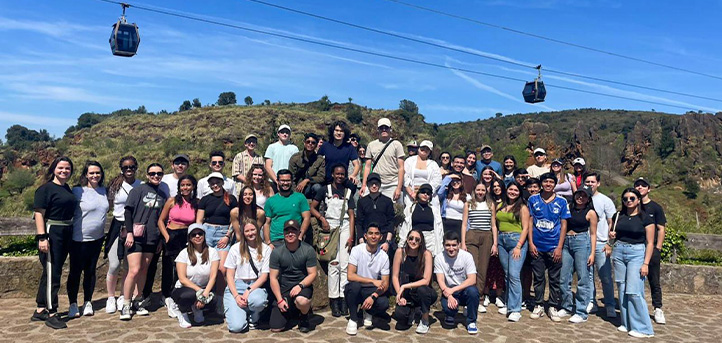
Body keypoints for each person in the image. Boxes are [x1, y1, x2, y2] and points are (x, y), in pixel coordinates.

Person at [32, 156, 77, 329]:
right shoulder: (45, 189)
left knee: (49, 271)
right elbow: (39, 214)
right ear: (53, 169)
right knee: (53, 273)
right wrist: (42, 237)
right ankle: (52, 312)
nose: (64, 171)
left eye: (67, 169)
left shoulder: (66, 188)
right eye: (61, 168)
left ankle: (40, 308)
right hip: (52, 232)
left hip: (66, 231)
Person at [121, 163, 168, 320]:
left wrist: (160, 239)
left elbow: (162, 219)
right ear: (147, 175)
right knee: (133, 270)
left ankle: (138, 300)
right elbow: (128, 211)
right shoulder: (138, 190)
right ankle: (126, 304)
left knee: (143, 271)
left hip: (152, 237)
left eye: (159, 174)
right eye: (153, 173)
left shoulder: (162, 195)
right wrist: (129, 233)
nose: (156, 176)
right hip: (136, 236)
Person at [310, 164, 356, 317]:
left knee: (345, 264)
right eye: (337, 173)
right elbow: (313, 207)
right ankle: (334, 299)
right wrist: (321, 218)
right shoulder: (325, 190)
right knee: (333, 263)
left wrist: (351, 235)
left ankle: (344, 298)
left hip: (344, 226)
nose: (340, 176)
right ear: (333, 174)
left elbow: (351, 215)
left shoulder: (348, 191)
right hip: (330, 226)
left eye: (342, 174)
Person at [609, 188, 655, 338]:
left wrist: (646, 263)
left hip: (637, 253)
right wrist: (612, 235)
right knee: (622, 288)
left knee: (634, 290)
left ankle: (644, 328)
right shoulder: (618, 216)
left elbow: (649, 243)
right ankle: (627, 322)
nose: (629, 201)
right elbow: (612, 234)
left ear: (638, 200)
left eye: (632, 198)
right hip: (619, 251)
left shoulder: (646, 218)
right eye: (625, 199)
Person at [67, 161, 109, 318]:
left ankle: (88, 301)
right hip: (78, 239)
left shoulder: (104, 191)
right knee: (75, 272)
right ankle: (72, 303)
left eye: (97, 172)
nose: (95, 175)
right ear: (86, 174)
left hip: (97, 239)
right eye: (91, 173)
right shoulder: (78, 191)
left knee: (91, 271)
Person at [528, 172, 570, 322]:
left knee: (554, 278)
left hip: (554, 246)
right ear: (541, 184)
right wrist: (531, 243)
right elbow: (530, 222)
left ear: (555, 184)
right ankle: (539, 304)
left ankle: (552, 306)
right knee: (538, 278)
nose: (548, 184)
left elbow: (564, 225)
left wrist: (559, 247)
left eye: (551, 182)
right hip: (537, 246)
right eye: (545, 182)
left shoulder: (562, 201)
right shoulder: (533, 199)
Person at [157, 175, 198, 317]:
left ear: (193, 187)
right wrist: (167, 236)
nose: (185, 188)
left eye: (188, 185)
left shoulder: (196, 203)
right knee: (169, 267)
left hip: (187, 237)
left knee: (184, 268)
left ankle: (179, 296)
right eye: (182, 185)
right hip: (172, 235)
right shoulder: (172, 201)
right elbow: (161, 221)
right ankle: (166, 295)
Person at [196, 172, 239, 308]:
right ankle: (202, 295)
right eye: (212, 183)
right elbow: (199, 219)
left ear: (222, 183)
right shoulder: (205, 199)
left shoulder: (231, 199)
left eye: (218, 182)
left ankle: (220, 299)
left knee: (222, 269)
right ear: (209, 185)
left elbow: (234, 219)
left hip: (223, 233)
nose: (215, 185)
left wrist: (228, 235)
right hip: (207, 232)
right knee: (204, 265)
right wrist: (199, 235)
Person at [105, 156, 141, 314]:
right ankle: (110, 297)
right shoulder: (115, 185)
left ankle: (122, 295)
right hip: (118, 226)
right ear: (121, 168)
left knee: (128, 265)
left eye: (132, 167)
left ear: (136, 168)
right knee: (114, 264)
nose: (129, 170)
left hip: (133, 228)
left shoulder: (141, 185)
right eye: (126, 167)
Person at [268, 219, 318, 333]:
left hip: (302, 287)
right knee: (276, 328)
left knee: (302, 301)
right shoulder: (276, 252)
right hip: (284, 289)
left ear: (299, 232)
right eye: (287, 231)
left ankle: (304, 317)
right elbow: (273, 278)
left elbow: (313, 274)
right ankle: (292, 311)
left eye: (293, 231)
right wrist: (280, 300)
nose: (290, 234)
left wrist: (300, 285)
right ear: (284, 233)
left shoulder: (308, 250)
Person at [169, 224, 220, 328]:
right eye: (194, 234)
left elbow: (213, 276)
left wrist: (204, 294)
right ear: (190, 238)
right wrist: (200, 293)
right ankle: (181, 313)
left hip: (204, 288)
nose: (197, 236)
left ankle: (196, 308)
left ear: (204, 235)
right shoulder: (184, 253)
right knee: (189, 295)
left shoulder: (213, 252)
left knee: (213, 300)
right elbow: (182, 279)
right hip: (185, 288)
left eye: (200, 234)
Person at [224, 220, 271, 332]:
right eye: (247, 231)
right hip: (236, 286)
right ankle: (241, 311)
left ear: (258, 230)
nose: (250, 233)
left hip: (255, 286)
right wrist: (236, 295)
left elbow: (264, 276)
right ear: (243, 233)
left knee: (258, 301)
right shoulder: (235, 248)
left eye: (253, 230)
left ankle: (253, 316)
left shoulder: (266, 249)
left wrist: (248, 290)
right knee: (236, 327)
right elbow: (229, 275)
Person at [345, 224, 391, 335]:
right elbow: (350, 275)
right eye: (370, 233)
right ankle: (353, 319)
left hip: (371, 290)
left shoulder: (384, 256)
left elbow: (385, 284)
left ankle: (368, 311)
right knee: (354, 286)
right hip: (357, 287)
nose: (373, 236)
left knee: (383, 302)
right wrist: (372, 281)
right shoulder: (356, 250)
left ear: (381, 237)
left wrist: (373, 297)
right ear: (365, 236)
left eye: (376, 234)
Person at [560, 187, 597, 324]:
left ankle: (581, 311)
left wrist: (592, 253)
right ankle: (566, 306)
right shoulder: (568, 207)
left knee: (583, 278)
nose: (580, 198)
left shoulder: (591, 213)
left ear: (588, 198)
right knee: (564, 277)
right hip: (566, 242)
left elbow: (593, 234)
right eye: (578, 195)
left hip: (582, 242)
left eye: (584, 196)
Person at [584, 172, 618, 318]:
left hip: (601, 243)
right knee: (587, 276)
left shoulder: (605, 200)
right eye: (587, 182)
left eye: (592, 182)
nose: (590, 184)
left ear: (598, 183)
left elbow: (613, 222)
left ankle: (610, 304)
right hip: (584, 243)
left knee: (605, 277)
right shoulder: (581, 198)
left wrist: (610, 243)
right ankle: (591, 302)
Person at [634, 177, 667, 325]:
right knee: (635, 280)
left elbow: (661, 228)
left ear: (649, 189)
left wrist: (658, 248)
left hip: (651, 248)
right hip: (635, 248)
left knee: (654, 279)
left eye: (643, 185)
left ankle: (658, 308)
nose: (640, 187)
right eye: (637, 185)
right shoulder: (632, 205)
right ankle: (636, 308)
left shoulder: (656, 208)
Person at [460, 183, 498, 314]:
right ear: (474, 191)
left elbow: (493, 225)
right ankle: (468, 299)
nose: (480, 192)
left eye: (482, 190)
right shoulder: (468, 204)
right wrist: (463, 243)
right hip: (472, 235)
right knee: (472, 268)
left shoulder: (490, 204)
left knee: (483, 268)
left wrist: (495, 244)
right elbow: (464, 224)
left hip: (486, 236)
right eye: (478, 190)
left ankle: (479, 298)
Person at [496, 182, 530, 322]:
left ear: (519, 193)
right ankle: (510, 303)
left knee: (514, 274)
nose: (513, 192)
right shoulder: (500, 205)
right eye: (511, 189)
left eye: (516, 190)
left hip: (516, 241)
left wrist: (519, 246)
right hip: (502, 241)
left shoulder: (522, 208)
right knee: (507, 274)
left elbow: (526, 228)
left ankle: (515, 309)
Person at [392, 230, 437, 334]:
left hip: (423, 292)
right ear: (407, 239)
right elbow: (394, 276)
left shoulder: (426, 254)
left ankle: (425, 319)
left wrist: (405, 286)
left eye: (417, 239)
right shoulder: (400, 252)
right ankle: (413, 311)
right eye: (411, 238)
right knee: (401, 317)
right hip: (407, 294)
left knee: (422, 290)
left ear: (421, 242)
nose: (413, 241)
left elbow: (426, 280)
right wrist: (400, 294)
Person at [435, 232, 480, 335]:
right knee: (448, 309)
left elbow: (472, 279)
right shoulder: (439, 258)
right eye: (448, 245)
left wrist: (454, 290)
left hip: (464, 289)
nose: (451, 248)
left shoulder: (467, 256)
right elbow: (440, 280)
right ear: (443, 245)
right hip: (448, 290)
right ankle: (450, 314)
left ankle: (471, 321)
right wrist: (449, 294)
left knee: (473, 292)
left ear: (459, 244)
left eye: (454, 245)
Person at [263, 169, 312, 247]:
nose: (285, 183)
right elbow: (266, 223)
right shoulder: (270, 201)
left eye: (288, 180)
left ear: (292, 181)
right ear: (277, 181)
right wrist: (268, 242)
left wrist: (300, 236)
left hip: (295, 239)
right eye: (282, 180)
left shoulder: (300, 197)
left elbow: (307, 218)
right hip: (276, 240)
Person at [361, 118, 405, 202]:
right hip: (376, 182)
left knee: (394, 211)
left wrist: (399, 188)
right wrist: (364, 185)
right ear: (378, 129)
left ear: (390, 129)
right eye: (381, 128)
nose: (384, 130)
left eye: (386, 127)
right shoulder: (371, 145)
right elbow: (367, 167)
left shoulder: (397, 145)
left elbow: (401, 167)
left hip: (392, 183)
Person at [355, 172, 396, 258]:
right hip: (367, 240)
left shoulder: (387, 201)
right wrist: (361, 242)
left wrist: (387, 242)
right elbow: (359, 223)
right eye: (371, 184)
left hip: (383, 241)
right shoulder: (362, 202)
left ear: (380, 185)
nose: (374, 186)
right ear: (367, 185)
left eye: (376, 184)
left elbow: (391, 222)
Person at [399, 184, 444, 256]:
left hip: (430, 240)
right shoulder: (410, 209)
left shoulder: (434, 210)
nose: (425, 194)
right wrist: (402, 244)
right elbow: (404, 227)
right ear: (418, 193)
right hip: (414, 240)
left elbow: (439, 228)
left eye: (428, 193)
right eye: (423, 192)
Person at [318, 120, 361, 185]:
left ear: (345, 133)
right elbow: (317, 162)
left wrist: (353, 175)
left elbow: (357, 165)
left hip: (342, 181)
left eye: (341, 131)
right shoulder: (325, 146)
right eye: (337, 130)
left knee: (352, 185)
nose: (339, 133)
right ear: (333, 131)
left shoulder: (349, 147)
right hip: (326, 180)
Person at [403, 140, 442, 206]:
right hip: (411, 195)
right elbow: (405, 177)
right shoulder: (409, 161)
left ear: (430, 152)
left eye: (427, 149)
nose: (424, 150)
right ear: (418, 149)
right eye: (422, 148)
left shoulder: (433, 164)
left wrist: (425, 193)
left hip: (427, 196)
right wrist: (412, 193)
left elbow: (437, 181)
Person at [288, 133, 326, 198]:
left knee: (318, 187)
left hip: (311, 187)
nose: (310, 144)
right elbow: (291, 176)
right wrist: (295, 193)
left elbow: (321, 177)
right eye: (308, 142)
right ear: (304, 143)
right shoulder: (295, 158)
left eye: (313, 143)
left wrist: (307, 180)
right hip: (297, 187)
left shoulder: (320, 160)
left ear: (316, 145)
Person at [437, 173, 467, 238]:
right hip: (446, 222)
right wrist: (448, 177)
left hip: (459, 223)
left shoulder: (467, 197)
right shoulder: (446, 194)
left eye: (458, 180)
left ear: (462, 182)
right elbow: (439, 193)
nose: (455, 182)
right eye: (453, 181)